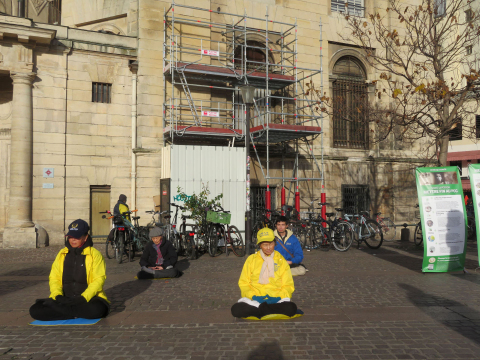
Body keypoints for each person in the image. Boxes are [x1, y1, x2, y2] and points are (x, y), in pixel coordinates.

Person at [29, 219, 110, 321]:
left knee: (98, 309)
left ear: (85, 237)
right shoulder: (61, 254)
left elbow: (99, 280)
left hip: (87, 300)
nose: (72, 240)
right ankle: (73, 312)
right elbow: (54, 278)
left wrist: (83, 298)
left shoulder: (95, 255)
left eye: (77, 237)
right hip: (65, 299)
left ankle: (63, 311)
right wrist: (57, 296)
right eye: (71, 237)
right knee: (35, 310)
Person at [231, 227, 297, 319]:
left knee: (291, 308)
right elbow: (244, 283)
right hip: (255, 299)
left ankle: (261, 310)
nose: (269, 248)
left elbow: (288, 284)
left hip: (276, 299)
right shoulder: (251, 260)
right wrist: (253, 296)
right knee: (236, 309)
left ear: (275, 243)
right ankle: (267, 310)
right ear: (260, 245)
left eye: (271, 244)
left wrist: (279, 297)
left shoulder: (281, 260)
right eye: (265, 245)